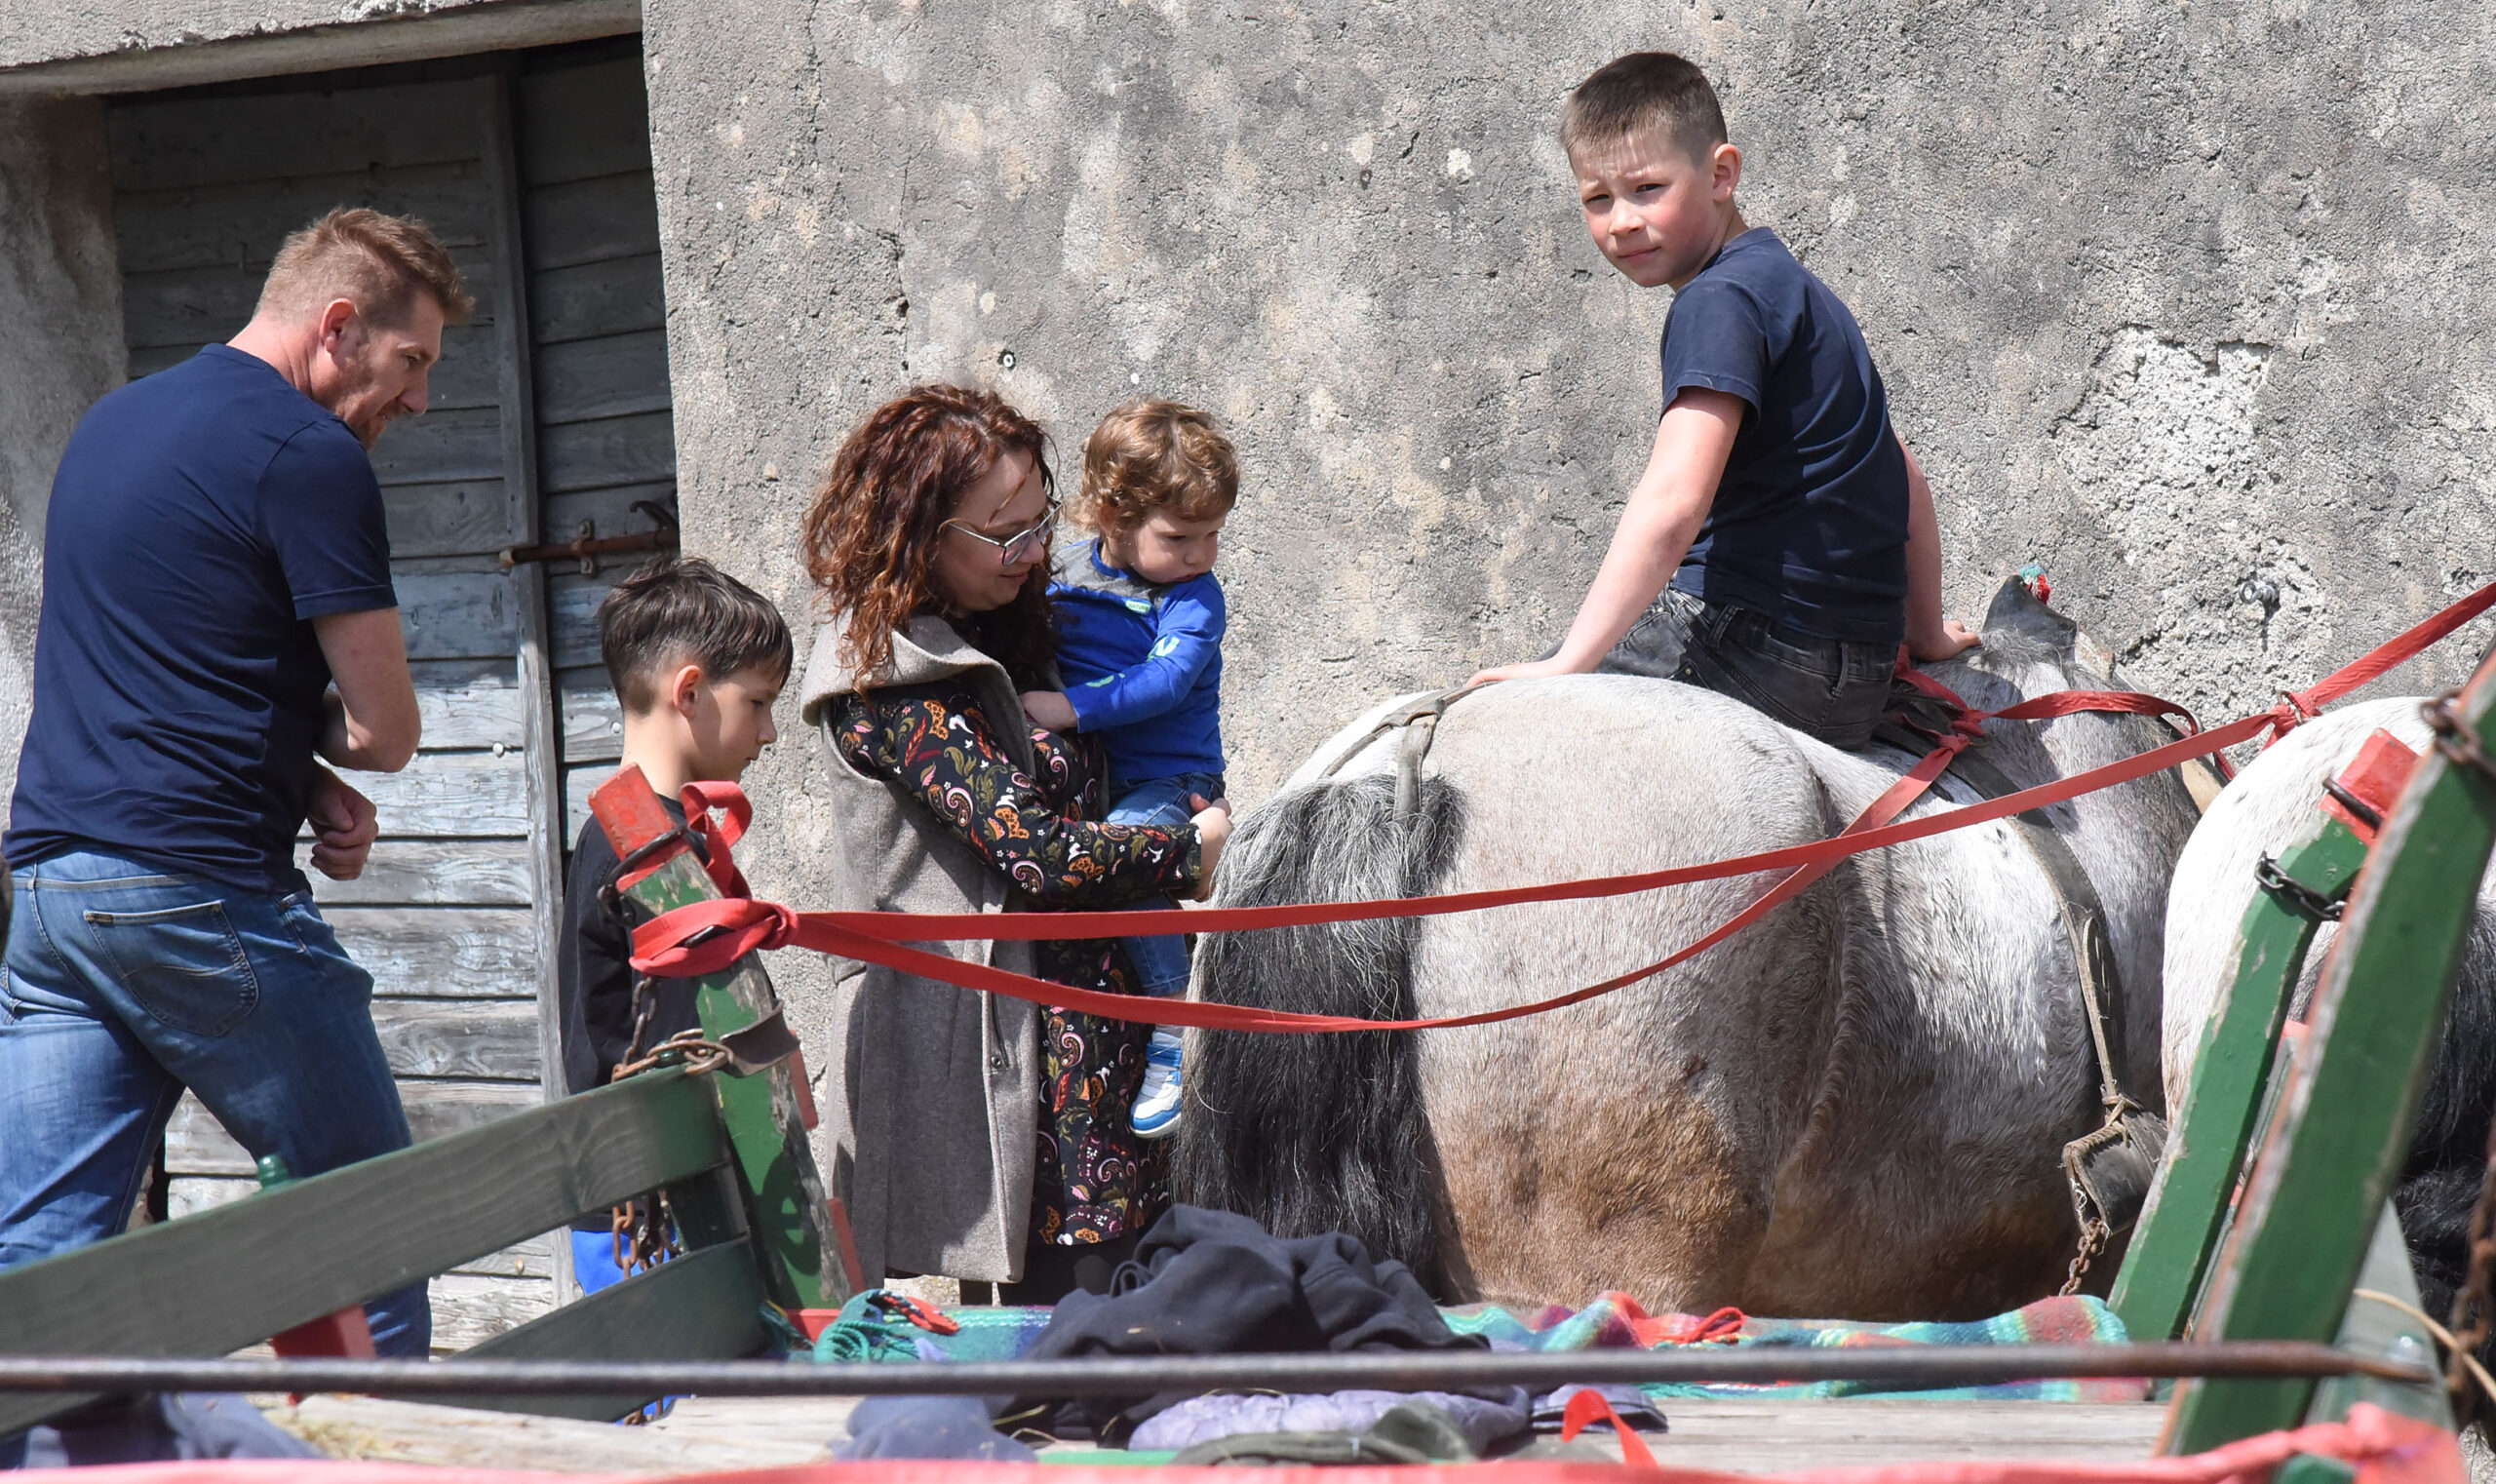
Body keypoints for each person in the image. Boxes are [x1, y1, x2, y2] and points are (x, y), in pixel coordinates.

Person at [0, 208, 468, 1357]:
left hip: (54, 895)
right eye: (412, 361)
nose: (420, 399)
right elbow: (386, 730)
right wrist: (330, 754)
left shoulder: (113, 421)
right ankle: (389, 1446)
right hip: (195, 895)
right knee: (368, 1235)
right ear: (338, 326)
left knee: (38, 1268)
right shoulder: (308, 453)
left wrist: (293, 774)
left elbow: (159, 673)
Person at [795, 383, 1231, 1303]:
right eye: (1005, 535)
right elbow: (1036, 850)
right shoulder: (891, 677)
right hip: (1016, 1068)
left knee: (1139, 1321)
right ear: (920, 533)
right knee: (1061, 1337)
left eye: (1041, 523)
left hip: (1097, 1052)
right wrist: (1187, 852)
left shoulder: (1017, 623)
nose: (1035, 553)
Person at [1470, 52, 1976, 745]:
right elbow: (1900, 471)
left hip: (1750, 649)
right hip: (1854, 675)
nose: (1621, 222)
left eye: (1647, 188)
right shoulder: (1797, 291)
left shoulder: (1718, 301)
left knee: (1500, 738)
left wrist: (1568, 665)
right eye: (1597, 198)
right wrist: (1926, 633)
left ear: (1721, 175)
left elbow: (1674, 502)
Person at [554, 556, 792, 1295]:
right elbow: (694, 1033)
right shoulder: (642, 847)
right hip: (649, 1210)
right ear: (689, 692)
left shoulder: (652, 834)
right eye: (758, 702)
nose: (770, 732)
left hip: (667, 1185)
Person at [1018, 399, 1235, 1141]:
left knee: (1124, 852)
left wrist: (1067, 708)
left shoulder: (1193, 598)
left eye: (1213, 534)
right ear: (1112, 515)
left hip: (1172, 782)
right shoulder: (1062, 573)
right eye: (1180, 537)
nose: (1201, 553)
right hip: (1099, 782)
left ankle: (1179, 1020)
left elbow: (1165, 684)